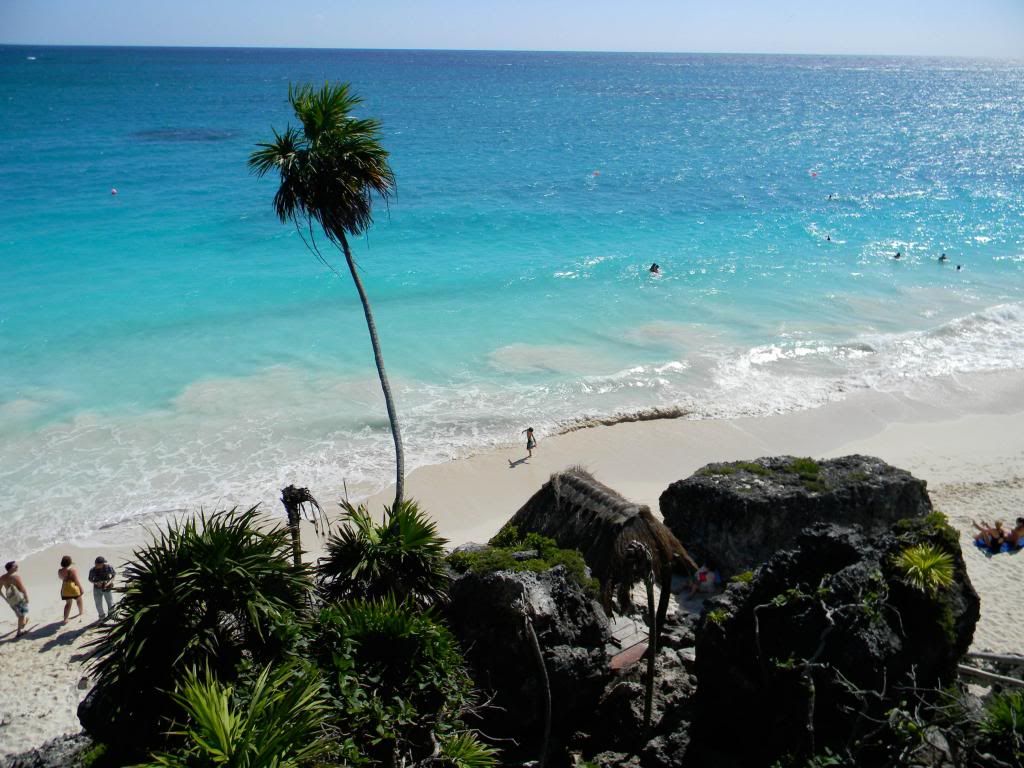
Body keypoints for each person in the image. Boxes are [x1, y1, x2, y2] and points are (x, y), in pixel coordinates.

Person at [1, 561, 30, 637]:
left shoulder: (2, 577)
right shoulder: (16, 577)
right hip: (19, 598)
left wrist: (5, 598)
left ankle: (23, 623)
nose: (17, 567)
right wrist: (26, 597)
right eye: (15, 566)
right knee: (22, 615)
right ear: (10, 568)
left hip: (10, 599)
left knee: (19, 613)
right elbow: (22, 589)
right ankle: (19, 632)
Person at [58, 555, 85, 624]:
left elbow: (61, 578)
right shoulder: (72, 570)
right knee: (79, 599)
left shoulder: (60, 571)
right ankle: (81, 612)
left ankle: (65, 619)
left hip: (65, 588)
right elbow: (76, 580)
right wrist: (81, 588)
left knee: (68, 604)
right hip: (73, 588)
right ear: (70, 563)